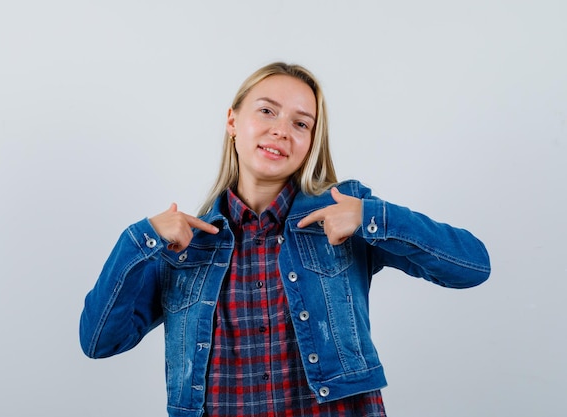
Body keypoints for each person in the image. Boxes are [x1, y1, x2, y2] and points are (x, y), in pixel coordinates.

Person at [79, 62, 491, 417]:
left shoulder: (343, 213)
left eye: (300, 123)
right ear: (232, 121)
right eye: (266, 111)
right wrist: (139, 240)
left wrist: (371, 217)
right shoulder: (183, 246)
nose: (281, 131)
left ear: (311, 141)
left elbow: (472, 266)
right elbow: (100, 342)